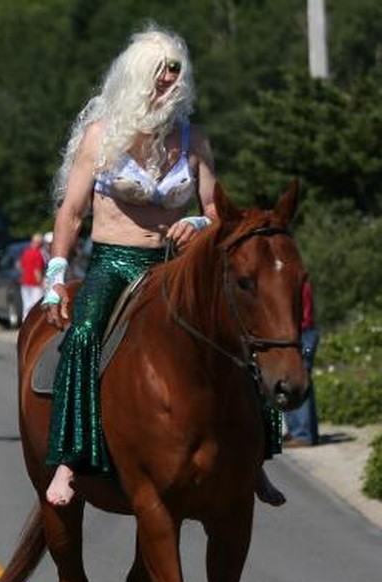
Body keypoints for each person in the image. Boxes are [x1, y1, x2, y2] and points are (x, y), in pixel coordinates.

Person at [40, 24, 285, 507]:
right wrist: (54, 275)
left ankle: (255, 457)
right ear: (137, 77)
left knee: (240, 334)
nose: (170, 82)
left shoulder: (194, 140)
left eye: (176, 73)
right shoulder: (100, 138)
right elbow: (70, 213)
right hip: (115, 260)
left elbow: (218, 210)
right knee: (85, 332)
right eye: (161, 73)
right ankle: (68, 458)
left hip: (175, 264)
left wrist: (196, 218)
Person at [283, 277, 319, 447]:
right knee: (295, 381)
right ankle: (303, 432)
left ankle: (303, 434)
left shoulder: (296, 283)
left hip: (302, 333)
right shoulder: (298, 281)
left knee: (298, 382)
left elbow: (301, 314)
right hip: (303, 333)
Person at [19, 233, 47, 320]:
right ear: (39, 243)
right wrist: (41, 283)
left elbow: (20, 265)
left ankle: (25, 323)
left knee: (26, 305)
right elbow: (37, 271)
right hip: (35, 284)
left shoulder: (26, 252)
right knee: (36, 306)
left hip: (25, 282)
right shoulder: (38, 254)